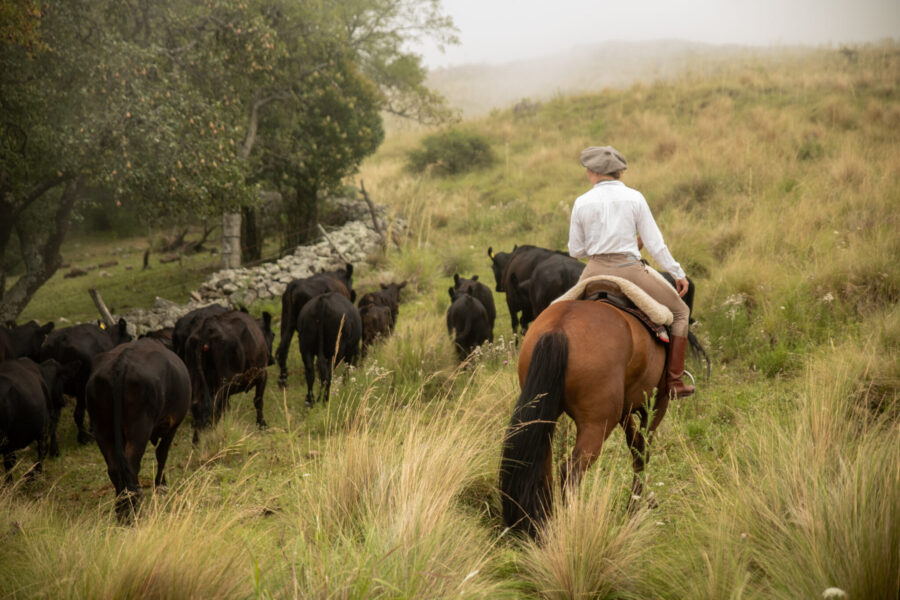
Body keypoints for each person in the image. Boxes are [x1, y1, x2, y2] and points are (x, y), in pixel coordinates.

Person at [567, 145, 695, 397]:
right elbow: (656, 245)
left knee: (556, 314)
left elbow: (576, 250)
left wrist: (599, 246)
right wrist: (677, 273)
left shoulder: (581, 202)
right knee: (681, 313)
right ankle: (674, 383)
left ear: (592, 171)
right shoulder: (635, 198)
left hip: (593, 270)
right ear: (618, 172)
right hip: (629, 268)